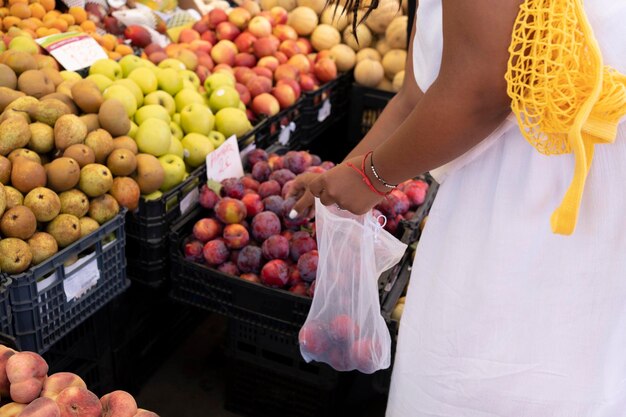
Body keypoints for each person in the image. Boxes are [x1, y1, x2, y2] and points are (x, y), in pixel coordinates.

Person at [288, 0, 626, 415]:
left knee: (505, 388)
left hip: (536, 230)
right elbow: (417, 96)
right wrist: (345, 175)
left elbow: (481, 90)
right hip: (517, 214)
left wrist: (372, 178)